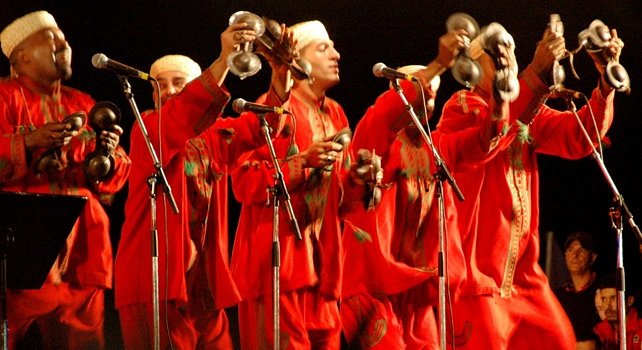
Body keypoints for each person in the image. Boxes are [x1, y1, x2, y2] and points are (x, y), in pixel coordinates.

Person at [434, 18, 621, 349]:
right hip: (478, 280)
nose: (508, 59)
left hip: (525, 280)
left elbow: (582, 137)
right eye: (497, 55)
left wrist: (606, 81)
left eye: (511, 52)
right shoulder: (463, 106)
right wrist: (536, 73)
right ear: (474, 70)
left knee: (560, 341)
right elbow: (492, 135)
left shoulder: (531, 111)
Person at [114, 22, 292, 349]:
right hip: (154, 281)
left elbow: (263, 127)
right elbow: (183, 116)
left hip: (202, 285)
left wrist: (281, 74)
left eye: (179, 83)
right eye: (160, 86)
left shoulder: (215, 136)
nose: (167, 91)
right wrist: (225, 59)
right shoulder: (148, 129)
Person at [339, 30, 497, 348]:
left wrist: (501, 92)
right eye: (422, 90)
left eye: (435, 92)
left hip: (415, 289)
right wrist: (439, 63)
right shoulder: (374, 138)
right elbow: (386, 114)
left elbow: (481, 143)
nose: (430, 99)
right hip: (372, 288)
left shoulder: (435, 148)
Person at [0, 10, 131, 349]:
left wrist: (106, 158)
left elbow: (117, 172)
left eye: (64, 39)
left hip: (84, 246)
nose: (63, 45)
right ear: (21, 57)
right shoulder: (4, 97)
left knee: (84, 341)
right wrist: (29, 142)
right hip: (22, 246)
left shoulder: (83, 102)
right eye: (51, 39)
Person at [230, 20, 348, 349]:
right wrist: (302, 162)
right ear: (299, 61)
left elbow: (341, 196)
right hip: (277, 269)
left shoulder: (336, 114)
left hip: (323, 273)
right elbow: (243, 180)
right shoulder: (271, 110)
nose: (336, 54)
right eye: (324, 48)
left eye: (333, 47)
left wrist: (365, 180)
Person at [554, 231, 602, 349]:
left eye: (581, 250)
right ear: (565, 255)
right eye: (570, 250)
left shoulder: (604, 291)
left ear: (593, 257)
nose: (575, 255)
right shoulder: (558, 296)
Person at [593, 273, 642, 349]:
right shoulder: (599, 331)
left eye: (613, 298)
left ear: (629, 301)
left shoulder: (640, 327)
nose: (608, 305)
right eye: (604, 299)